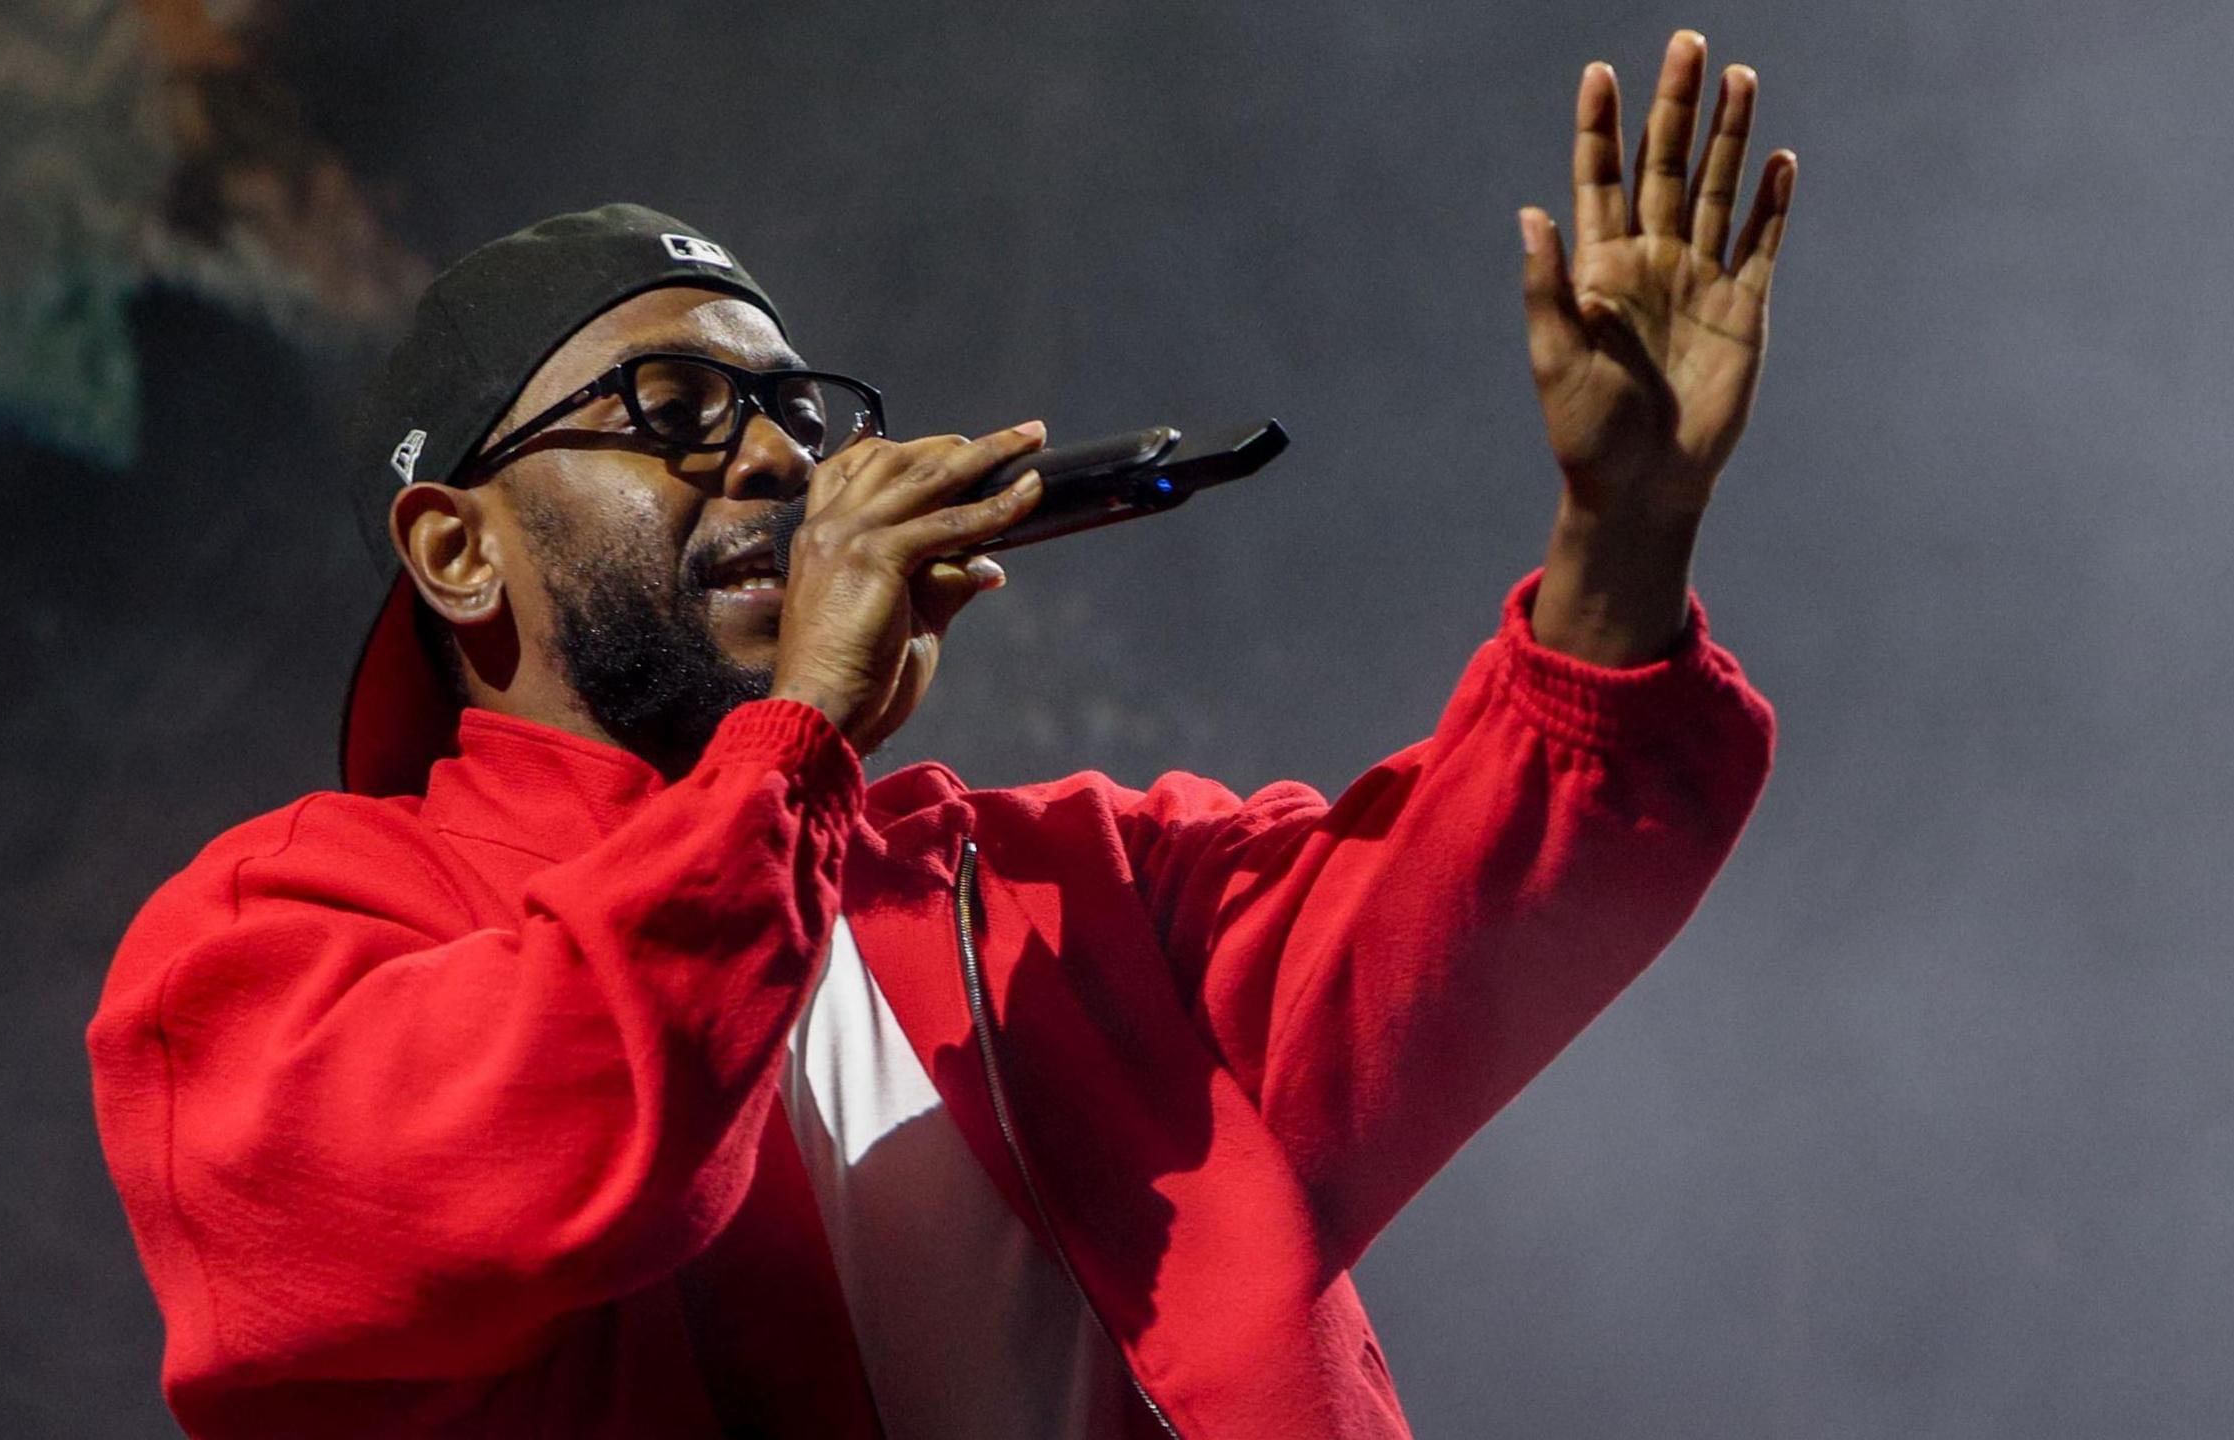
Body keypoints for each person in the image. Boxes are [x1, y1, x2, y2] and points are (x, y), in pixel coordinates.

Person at [89, 29, 1794, 1439]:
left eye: (789, 416)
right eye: (673, 417)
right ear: (459, 550)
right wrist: (803, 740)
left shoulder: (1066, 896)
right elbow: (568, 1154)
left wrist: (1624, 538)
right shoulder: (273, 948)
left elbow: (1488, 912)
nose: (774, 465)